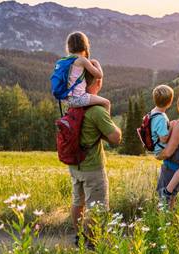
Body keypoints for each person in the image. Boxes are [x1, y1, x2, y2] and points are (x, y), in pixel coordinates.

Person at [69, 76, 122, 246]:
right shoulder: (97, 111)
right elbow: (115, 138)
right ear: (97, 83)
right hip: (93, 167)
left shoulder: (73, 106)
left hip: (75, 164)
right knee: (97, 208)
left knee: (78, 201)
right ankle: (93, 243)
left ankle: (79, 237)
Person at [150, 85, 179, 204]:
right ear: (169, 102)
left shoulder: (153, 112)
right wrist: (172, 126)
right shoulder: (161, 118)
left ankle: (175, 188)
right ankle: (168, 191)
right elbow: (163, 139)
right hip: (162, 149)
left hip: (157, 148)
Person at [63, 31, 111, 111]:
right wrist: (96, 62)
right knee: (106, 103)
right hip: (77, 99)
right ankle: (105, 122)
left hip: (65, 100)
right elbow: (99, 75)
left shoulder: (65, 60)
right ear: (84, 45)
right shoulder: (82, 60)